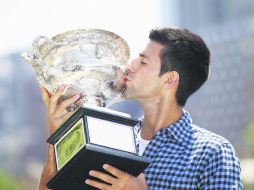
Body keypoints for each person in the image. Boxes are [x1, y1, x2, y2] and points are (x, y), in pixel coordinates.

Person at [38, 27, 242, 189]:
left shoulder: (212, 153)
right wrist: (57, 140)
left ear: (169, 79)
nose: (130, 66)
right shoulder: (110, 139)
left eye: (143, 61)